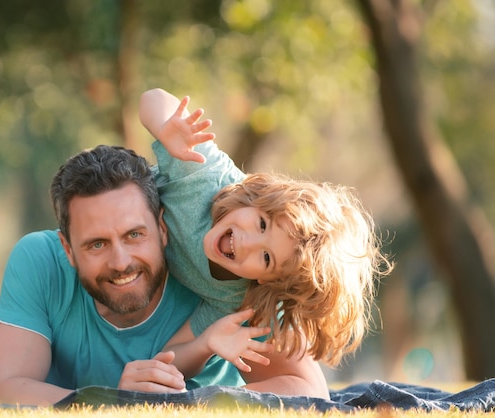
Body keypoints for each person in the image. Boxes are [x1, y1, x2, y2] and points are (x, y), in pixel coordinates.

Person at [139, 88, 393, 393]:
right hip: (117, 222)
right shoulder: (206, 178)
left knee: (309, 390)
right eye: (261, 224)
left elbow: (170, 357)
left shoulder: (234, 298)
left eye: (267, 258)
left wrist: (206, 343)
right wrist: (165, 125)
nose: (247, 244)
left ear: (267, 282)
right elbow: (152, 98)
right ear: (255, 199)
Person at [0, 145, 245, 406]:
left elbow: (287, 385)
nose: (120, 262)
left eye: (134, 235)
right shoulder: (41, 260)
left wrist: (190, 405)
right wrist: (115, 403)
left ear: (162, 228)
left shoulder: (224, 265)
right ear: (67, 249)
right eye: (97, 244)